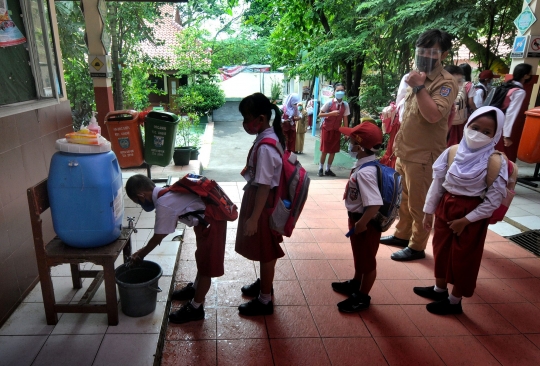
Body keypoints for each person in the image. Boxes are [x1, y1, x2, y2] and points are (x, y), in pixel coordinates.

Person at [415, 106, 507, 315]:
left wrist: (466, 220)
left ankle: (455, 301)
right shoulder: (453, 151)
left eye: (486, 132)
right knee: (440, 247)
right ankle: (439, 289)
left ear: (495, 135)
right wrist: (429, 211)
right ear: (467, 125)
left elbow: (492, 201)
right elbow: (437, 184)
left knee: (463, 257)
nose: (478, 134)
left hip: (472, 213)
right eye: (474, 127)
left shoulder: (495, 162)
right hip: (445, 206)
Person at [380, 29, 458, 261]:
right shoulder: (418, 76)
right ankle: (402, 235)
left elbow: (433, 115)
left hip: (424, 155)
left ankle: (416, 246)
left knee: (419, 204)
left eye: (431, 51)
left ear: (443, 54)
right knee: (403, 200)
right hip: (405, 151)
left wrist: (419, 87)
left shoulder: (445, 82)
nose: (424, 55)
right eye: (421, 50)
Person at [125, 174, 227, 324]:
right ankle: (195, 289)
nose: (141, 204)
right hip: (204, 223)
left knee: (207, 267)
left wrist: (140, 254)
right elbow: (165, 230)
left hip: (212, 223)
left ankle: (196, 308)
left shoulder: (164, 203)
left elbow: (159, 236)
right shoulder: (165, 191)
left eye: (138, 201)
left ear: (141, 194)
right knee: (202, 257)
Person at [235, 92, 285, 316]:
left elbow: (264, 185)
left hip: (263, 204)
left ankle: (265, 299)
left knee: (266, 251)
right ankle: (265, 283)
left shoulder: (265, 147)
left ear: (262, 119)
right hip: (261, 200)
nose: (245, 124)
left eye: (247, 119)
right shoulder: (268, 137)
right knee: (264, 248)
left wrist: (254, 218)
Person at [332, 121, 383, 312]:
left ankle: (362, 296)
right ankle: (356, 283)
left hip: (365, 223)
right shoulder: (365, 165)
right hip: (358, 219)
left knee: (368, 261)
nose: (349, 144)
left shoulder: (366, 173)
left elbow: (375, 203)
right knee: (360, 256)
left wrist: (361, 223)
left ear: (360, 146)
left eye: (351, 141)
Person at [493, 63, 532, 162]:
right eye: (530, 74)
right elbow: (511, 113)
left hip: (495, 122)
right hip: (506, 127)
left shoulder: (506, 86)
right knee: (505, 155)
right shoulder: (519, 91)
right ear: (525, 75)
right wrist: (507, 135)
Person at [318, 83, 350, 177]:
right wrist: (331, 113)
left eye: (342, 90)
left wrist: (346, 132)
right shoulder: (329, 103)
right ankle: (320, 168)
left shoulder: (345, 105)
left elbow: (345, 119)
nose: (340, 92)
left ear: (344, 92)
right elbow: (320, 114)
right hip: (327, 129)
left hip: (336, 130)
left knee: (333, 151)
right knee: (324, 150)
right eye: (338, 90)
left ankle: (328, 169)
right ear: (334, 91)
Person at [447, 63, 477, 146]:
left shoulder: (446, 84)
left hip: (446, 118)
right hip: (461, 117)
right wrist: (476, 110)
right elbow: (471, 103)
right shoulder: (469, 85)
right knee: (459, 140)